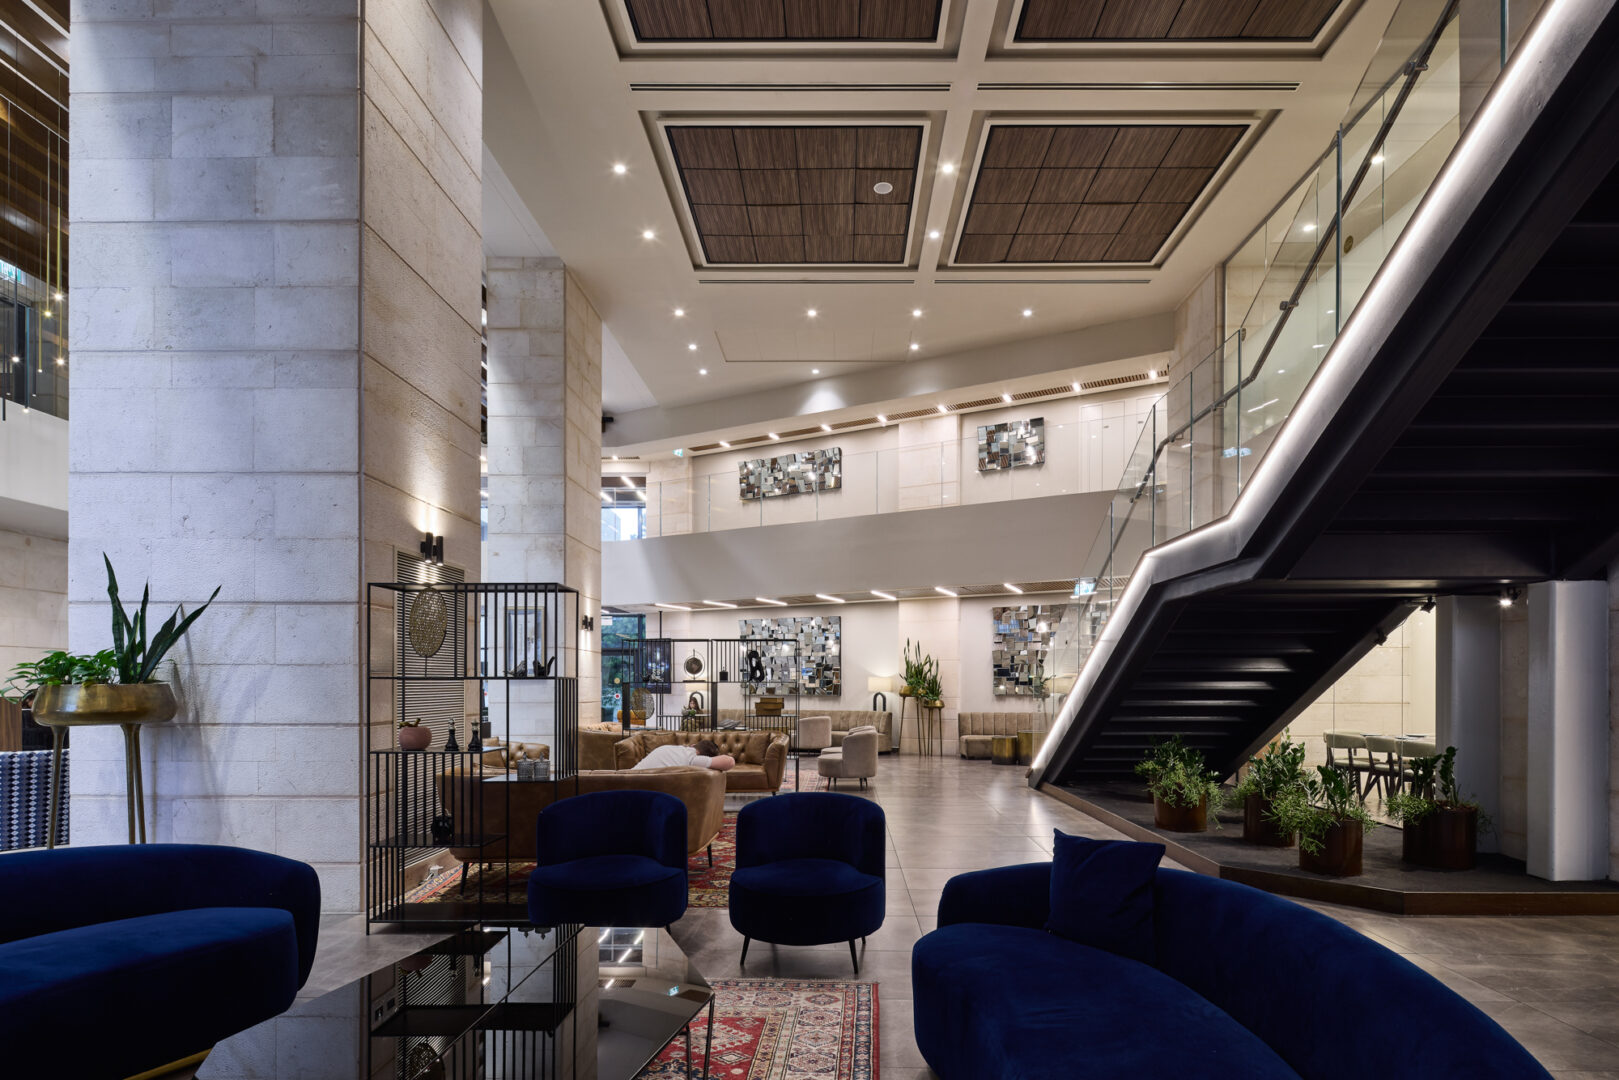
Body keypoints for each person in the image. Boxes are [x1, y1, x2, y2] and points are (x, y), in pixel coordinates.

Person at [633, 738, 736, 772]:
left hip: (627, 778)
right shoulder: (692, 759)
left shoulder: (668, 748)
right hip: (637, 788)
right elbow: (730, 761)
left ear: (693, 745)